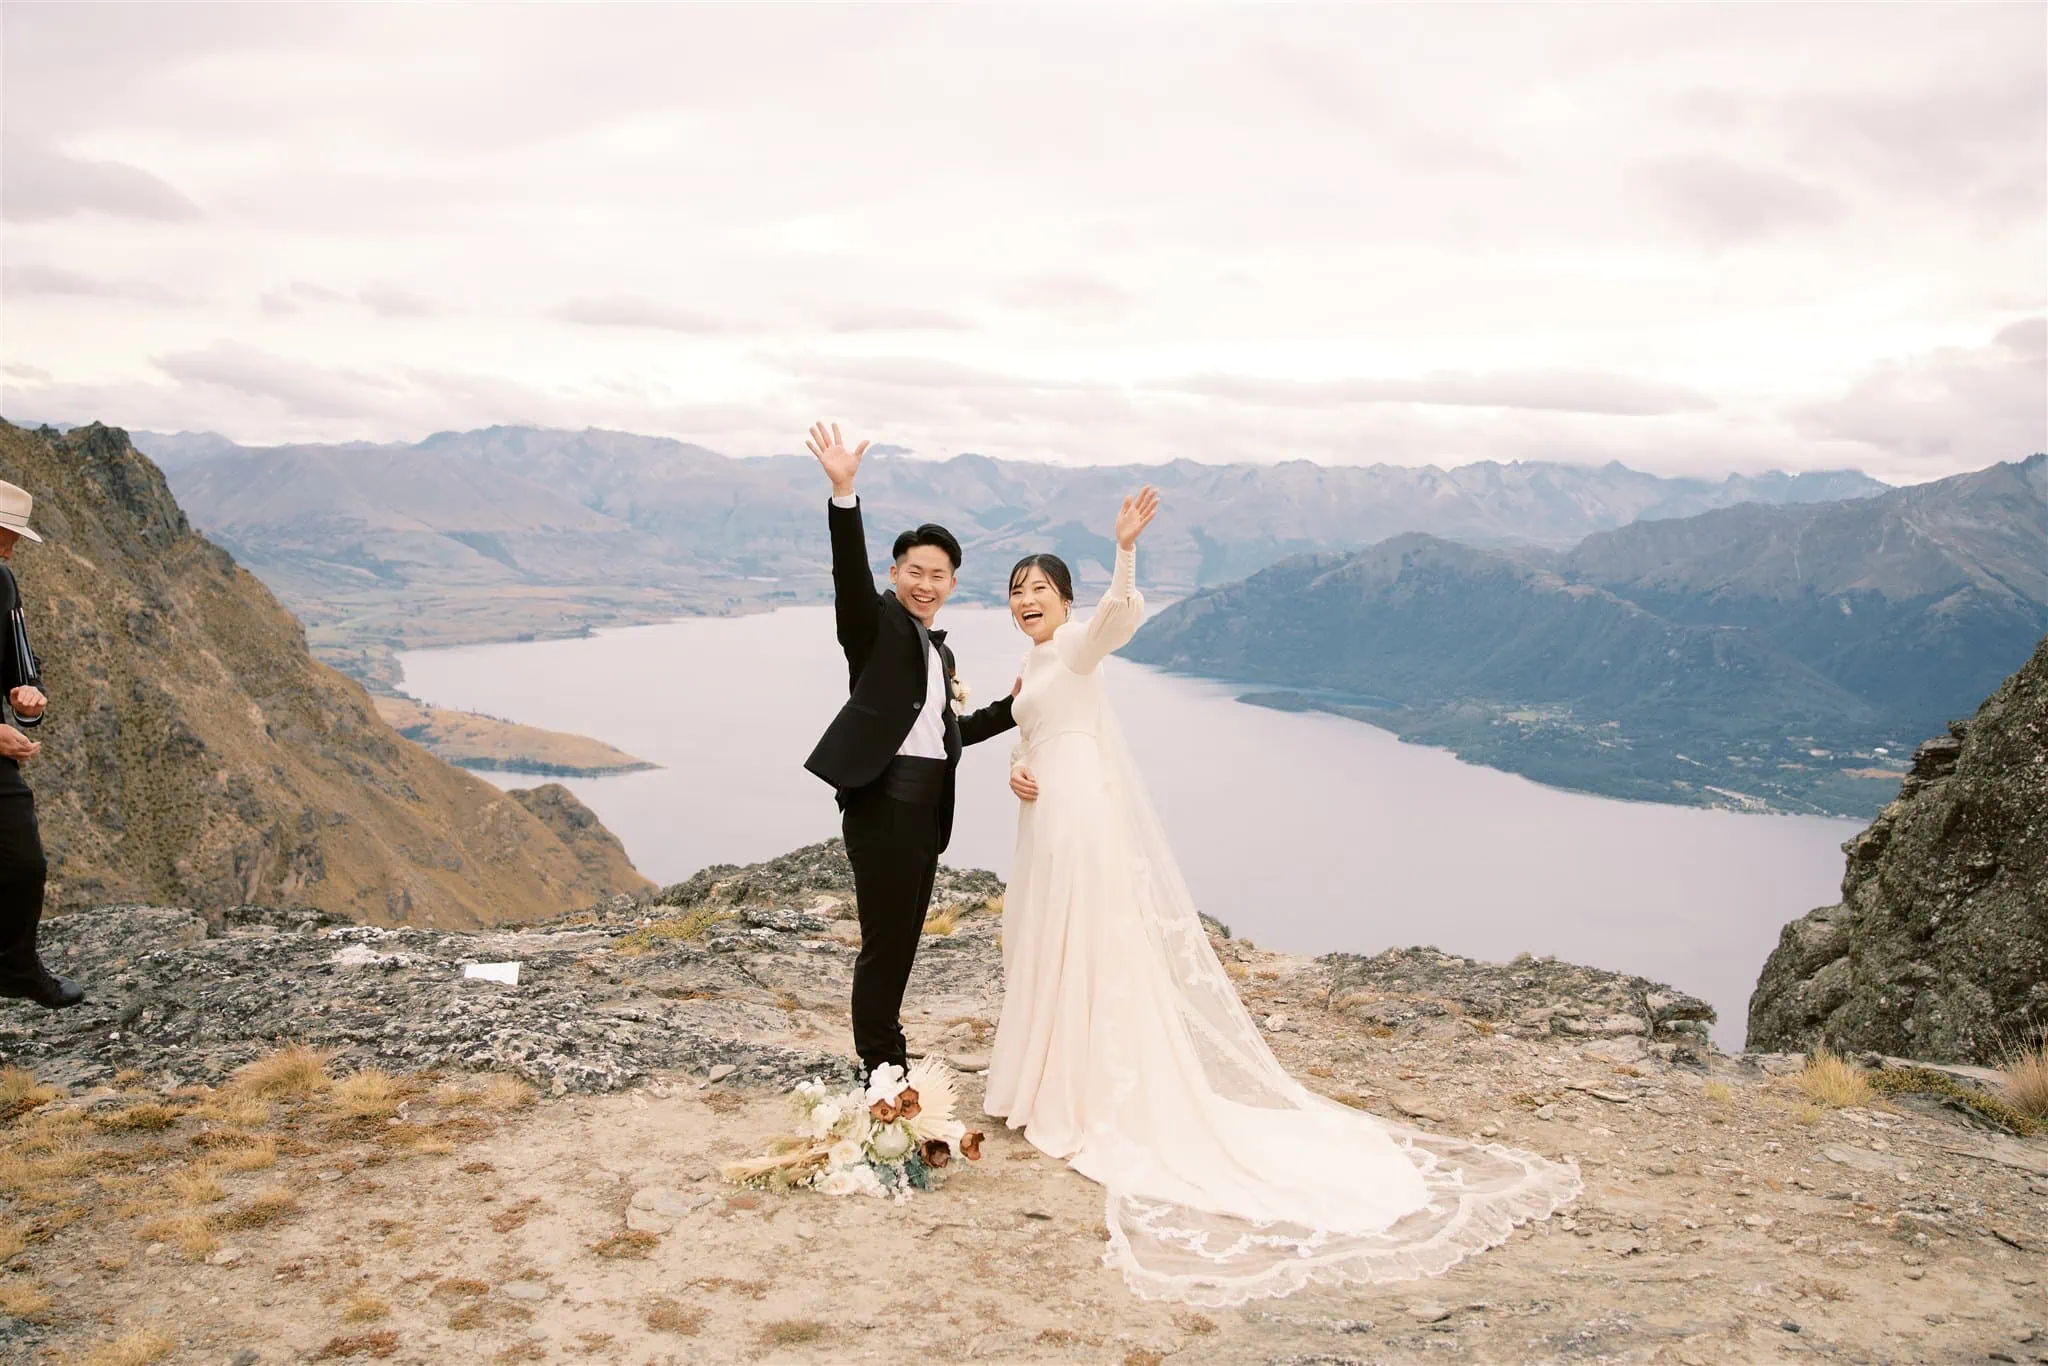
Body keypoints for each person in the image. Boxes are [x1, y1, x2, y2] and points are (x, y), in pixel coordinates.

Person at [986, 485, 1578, 1304]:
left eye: (1039, 590)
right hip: (1045, 813)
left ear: (1066, 599)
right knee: (1041, 932)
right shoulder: (1035, 662)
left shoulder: (1082, 642)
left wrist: (1124, 549)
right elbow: (1037, 732)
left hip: (1081, 815)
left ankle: (1077, 1089)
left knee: (1082, 938)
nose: (1026, 602)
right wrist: (1017, 766)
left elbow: (1122, 617)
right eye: (1016, 593)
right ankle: (1040, 1079)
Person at [800, 422, 1016, 1082]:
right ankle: (881, 1070)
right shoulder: (875, 628)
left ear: (953, 583)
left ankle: (890, 1055)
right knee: (885, 945)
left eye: (939, 575)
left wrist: (1013, 708)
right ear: (895, 575)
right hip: (883, 805)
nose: (926, 583)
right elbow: (846, 576)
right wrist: (844, 494)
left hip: (925, 815)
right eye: (914, 572)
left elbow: (947, 736)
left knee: (903, 944)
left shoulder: (936, 650)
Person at [0, 480, 84, 1009]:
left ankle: (16, 969)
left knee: (22, 859)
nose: (9, 548)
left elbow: (23, 671)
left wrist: (30, 702)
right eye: (5, 534)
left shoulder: (3, 584)